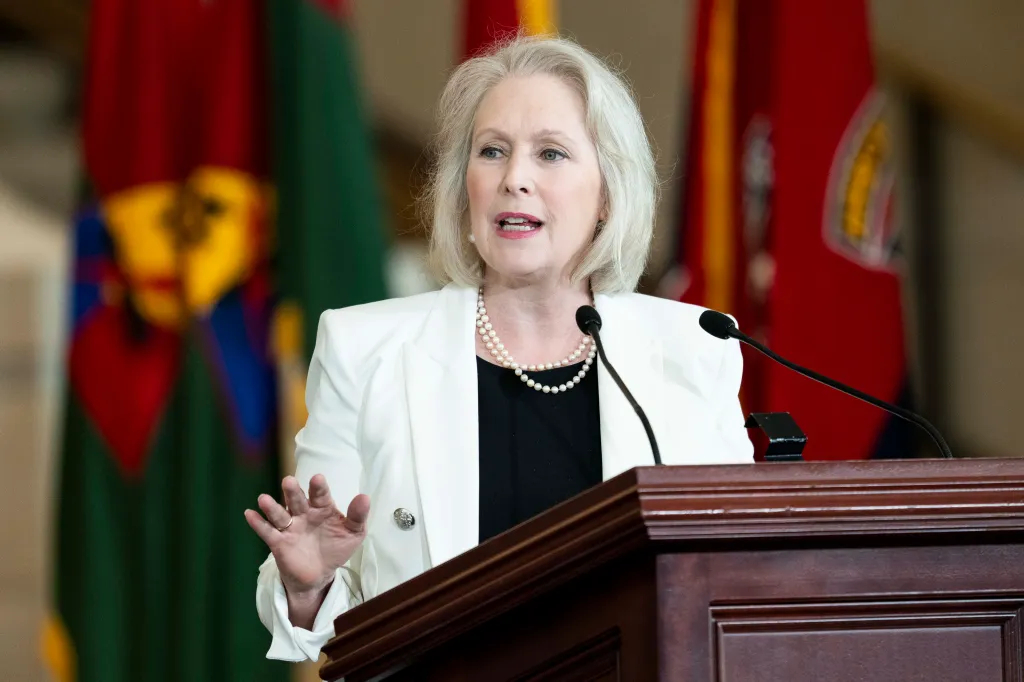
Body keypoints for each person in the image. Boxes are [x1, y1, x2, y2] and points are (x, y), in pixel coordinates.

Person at [244, 34, 753, 662]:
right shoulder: (365, 350)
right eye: (492, 152)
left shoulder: (692, 350)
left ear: (609, 194)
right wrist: (309, 582)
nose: (515, 179)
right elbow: (316, 612)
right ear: (464, 191)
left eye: (551, 154)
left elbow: (734, 582)